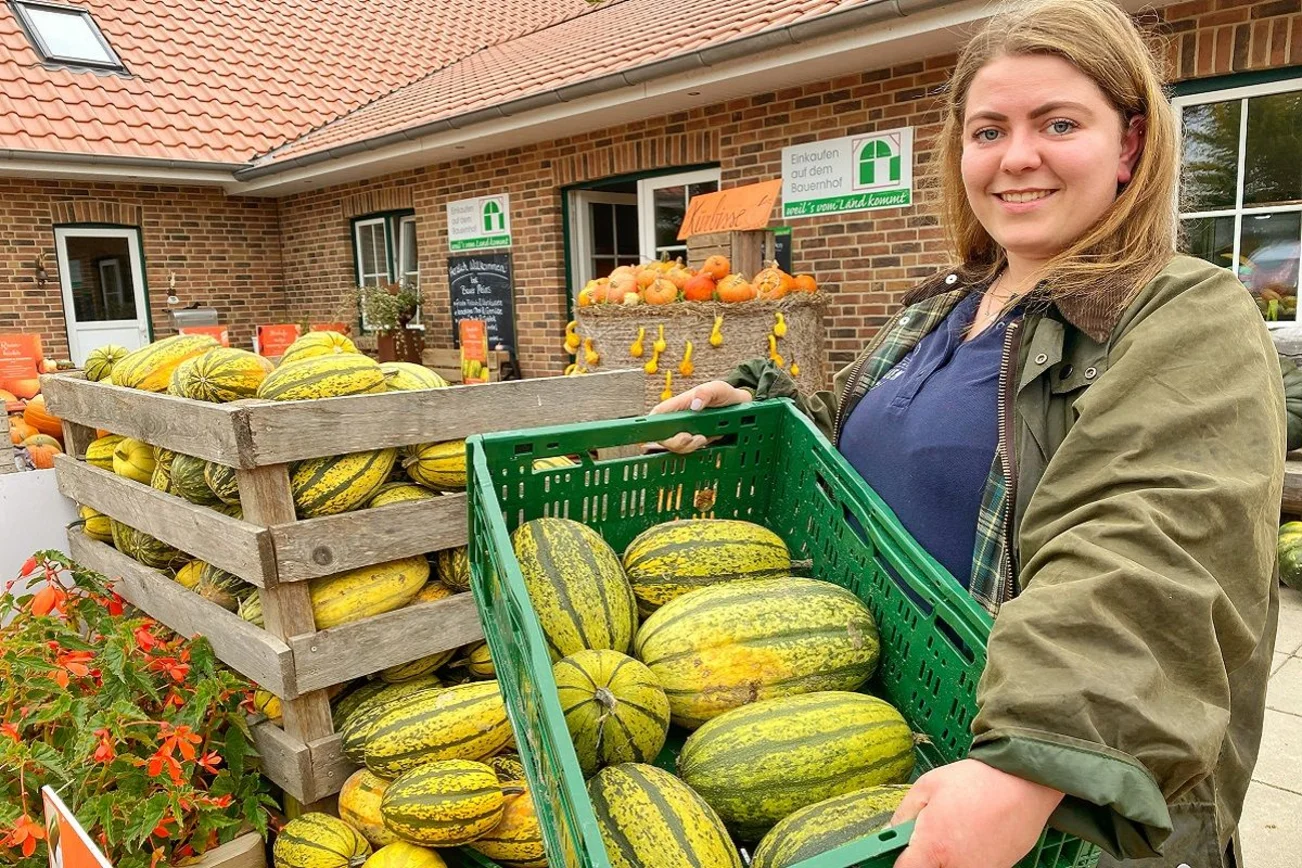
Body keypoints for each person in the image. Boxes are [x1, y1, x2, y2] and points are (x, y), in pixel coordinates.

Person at [653, 1, 1285, 866]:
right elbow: (863, 443)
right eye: (989, 130)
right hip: (885, 730)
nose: (1016, 156)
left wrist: (1032, 755)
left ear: (1130, 145)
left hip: (1047, 782)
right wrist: (765, 408)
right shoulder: (941, 305)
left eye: (1058, 123)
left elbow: (1151, 544)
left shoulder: (1183, 314)